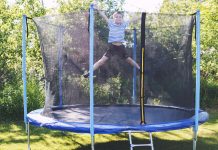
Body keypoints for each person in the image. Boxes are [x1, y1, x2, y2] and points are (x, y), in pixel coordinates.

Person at [83, 6, 140, 78]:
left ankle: (140, 69)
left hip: (120, 47)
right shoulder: (111, 23)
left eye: (120, 17)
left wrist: (141, 16)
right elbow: (104, 16)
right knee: (102, 61)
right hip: (112, 47)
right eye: (116, 17)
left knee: (129, 60)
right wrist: (98, 8)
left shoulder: (123, 24)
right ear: (113, 18)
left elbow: (133, 19)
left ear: (122, 19)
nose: (118, 18)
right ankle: (89, 72)